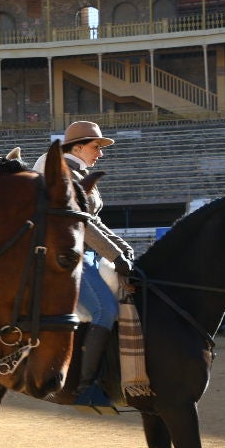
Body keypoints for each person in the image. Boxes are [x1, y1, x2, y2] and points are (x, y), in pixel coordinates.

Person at [35, 121, 135, 412]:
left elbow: (96, 222)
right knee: (106, 310)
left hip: (85, 257)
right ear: (77, 147)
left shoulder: (79, 174)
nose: (100, 154)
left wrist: (123, 248)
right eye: (96, 147)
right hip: (68, 259)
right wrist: (116, 257)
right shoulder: (68, 176)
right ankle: (85, 388)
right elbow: (81, 225)